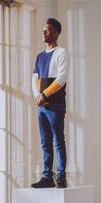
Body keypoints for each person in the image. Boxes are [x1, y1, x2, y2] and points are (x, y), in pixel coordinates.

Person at [30, 17, 69, 189]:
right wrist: (38, 97)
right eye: (43, 30)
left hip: (55, 105)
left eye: (48, 30)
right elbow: (34, 78)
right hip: (42, 106)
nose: (44, 32)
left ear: (57, 32)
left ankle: (61, 177)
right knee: (45, 142)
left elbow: (62, 78)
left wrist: (44, 95)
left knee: (58, 141)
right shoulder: (39, 57)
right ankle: (47, 176)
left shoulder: (62, 53)